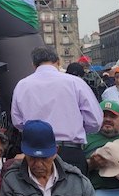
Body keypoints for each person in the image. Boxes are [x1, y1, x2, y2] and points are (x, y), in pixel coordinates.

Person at [11, 46, 102, 174]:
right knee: (73, 192)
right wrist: (75, 127)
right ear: (58, 62)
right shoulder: (75, 82)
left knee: (37, 193)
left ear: (33, 64)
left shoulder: (22, 85)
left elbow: (18, 122)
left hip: (35, 152)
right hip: (69, 150)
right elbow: (95, 121)